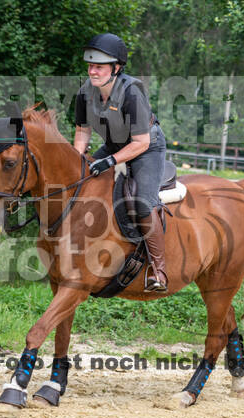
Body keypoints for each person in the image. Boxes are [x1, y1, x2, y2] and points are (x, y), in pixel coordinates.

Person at [73, 33, 168, 293]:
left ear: (116, 68)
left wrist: (110, 162)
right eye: (90, 66)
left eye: (99, 67)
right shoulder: (84, 93)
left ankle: (159, 270)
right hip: (114, 145)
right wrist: (78, 159)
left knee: (143, 202)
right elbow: (82, 131)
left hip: (146, 148)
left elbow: (140, 143)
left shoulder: (131, 93)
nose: (92, 71)